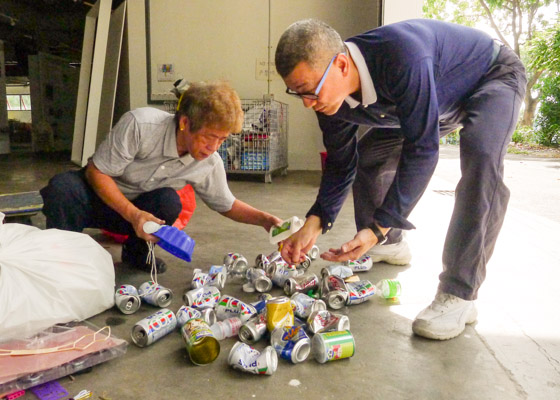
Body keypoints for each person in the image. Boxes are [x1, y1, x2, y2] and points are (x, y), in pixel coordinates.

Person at [275, 19, 526, 340]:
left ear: (340, 64)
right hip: (434, 102)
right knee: (370, 156)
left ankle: (460, 292)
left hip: (491, 76)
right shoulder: (329, 99)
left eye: (310, 90)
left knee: (481, 160)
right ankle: (390, 245)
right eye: (298, 94)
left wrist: (380, 224)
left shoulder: (402, 56)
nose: (308, 103)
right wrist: (315, 221)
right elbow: (341, 162)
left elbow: (422, 150)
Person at [40, 81, 282, 273]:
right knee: (62, 188)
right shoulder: (141, 125)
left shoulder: (209, 162)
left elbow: (226, 204)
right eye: (209, 136)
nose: (214, 147)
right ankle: (63, 262)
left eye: (222, 139)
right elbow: (97, 171)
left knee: (168, 201)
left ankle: (136, 254)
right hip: (95, 198)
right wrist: (133, 215)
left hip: (135, 214)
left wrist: (265, 220)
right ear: (186, 122)